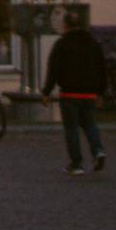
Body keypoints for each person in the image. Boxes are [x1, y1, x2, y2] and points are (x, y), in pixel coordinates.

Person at [43, 12, 107, 175]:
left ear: (65, 25)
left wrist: (47, 91)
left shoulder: (62, 44)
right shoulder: (92, 43)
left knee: (71, 129)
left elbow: (53, 69)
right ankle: (98, 150)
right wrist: (100, 92)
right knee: (90, 124)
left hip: (70, 93)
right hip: (89, 93)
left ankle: (77, 163)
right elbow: (101, 68)